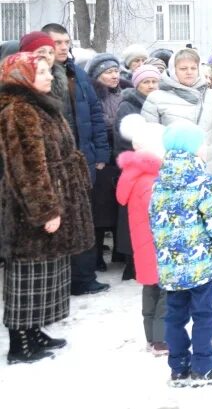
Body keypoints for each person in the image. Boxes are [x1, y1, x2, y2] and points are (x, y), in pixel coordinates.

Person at [0, 53, 94, 364]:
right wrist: (45, 210)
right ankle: (20, 343)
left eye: (47, 71)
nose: (48, 76)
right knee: (28, 273)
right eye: (40, 72)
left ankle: (34, 331)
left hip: (54, 195)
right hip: (31, 208)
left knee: (46, 271)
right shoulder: (19, 110)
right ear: (21, 77)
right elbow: (28, 167)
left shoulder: (41, 104)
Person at [150, 122, 212, 387]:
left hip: (171, 268)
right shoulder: (203, 182)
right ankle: (204, 365)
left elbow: (154, 222)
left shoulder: (159, 182)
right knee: (203, 316)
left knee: (174, 317)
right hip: (202, 267)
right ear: (191, 147)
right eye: (201, 144)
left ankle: (178, 367)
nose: (204, 148)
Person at [36, 25, 111, 297]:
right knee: (56, 222)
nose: (63, 47)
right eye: (57, 42)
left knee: (84, 220)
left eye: (67, 41)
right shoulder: (38, 77)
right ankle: (58, 283)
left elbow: (95, 114)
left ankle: (83, 278)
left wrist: (100, 153)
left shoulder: (78, 73)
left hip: (84, 160)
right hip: (55, 164)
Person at [141, 48, 212, 196]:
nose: (189, 72)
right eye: (183, 68)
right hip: (173, 180)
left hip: (209, 175)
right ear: (174, 70)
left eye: (193, 68)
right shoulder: (156, 98)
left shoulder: (211, 96)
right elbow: (149, 143)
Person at [116, 114, 167, 355]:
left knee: (151, 286)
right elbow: (159, 213)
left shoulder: (134, 174)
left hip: (144, 243)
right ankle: (161, 340)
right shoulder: (150, 179)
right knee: (165, 290)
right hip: (158, 242)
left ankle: (151, 336)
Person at [86, 53, 124, 274]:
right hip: (102, 158)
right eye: (109, 72)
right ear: (98, 75)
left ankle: (120, 250)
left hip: (121, 156)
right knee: (100, 210)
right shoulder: (92, 95)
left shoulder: (123, 93)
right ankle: (98, 254)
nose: (114, 76)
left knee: (119, 207)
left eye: (116, 71)